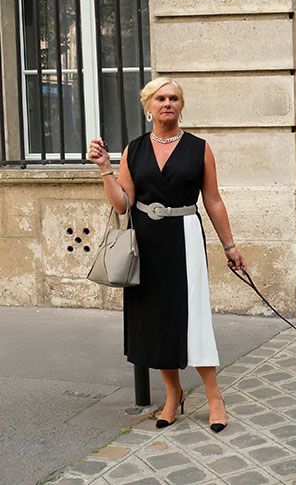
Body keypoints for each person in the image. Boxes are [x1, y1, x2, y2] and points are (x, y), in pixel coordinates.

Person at [88, 77, 246, 432]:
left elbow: (214, 200)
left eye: (174, 98)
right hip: (146, 240)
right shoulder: (135, 149)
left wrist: (230, 246)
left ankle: (214, 396)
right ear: (148, 106)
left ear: (181, 105)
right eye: (160, 98)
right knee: (156, 319)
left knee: (194, 316)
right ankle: (173, 394)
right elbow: (123, 203)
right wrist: (104, 169)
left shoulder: (198, 148)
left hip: (185, 235)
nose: (168, 103)